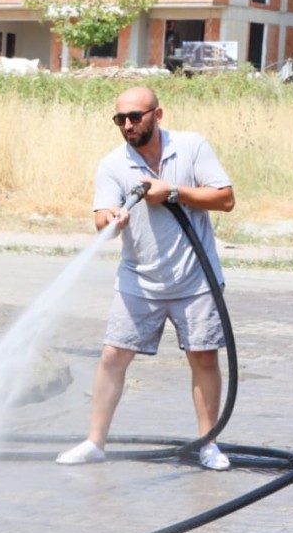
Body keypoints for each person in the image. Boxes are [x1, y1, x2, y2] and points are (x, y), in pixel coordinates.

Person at [57, 86, 236, 470]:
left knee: (204, 358)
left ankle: (209, 444)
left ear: (158, 114)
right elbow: (101, 217)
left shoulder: (191, 147)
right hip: (139, 280)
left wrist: (173, 191)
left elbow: (225, 198)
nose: (127, 125)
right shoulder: (113, 165)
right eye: (120, 118)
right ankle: (94, 443)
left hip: (196, 279)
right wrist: (112, 220)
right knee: (112, 357)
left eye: (135, 117)